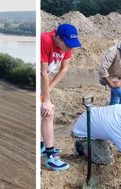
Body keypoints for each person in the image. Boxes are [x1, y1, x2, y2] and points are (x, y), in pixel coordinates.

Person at [40, 23, 81, 171]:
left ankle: (41, 146)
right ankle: (50, 157)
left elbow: (64, 69)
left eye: (72, 45)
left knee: (43, 113)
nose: (69, 48)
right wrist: (46, 99)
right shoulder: (45, 40)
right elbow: (42, 72)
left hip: (43, 83)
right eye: (67, 44)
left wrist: (48, 90)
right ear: (57, 37)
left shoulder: (67, 46)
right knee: (48, 113)